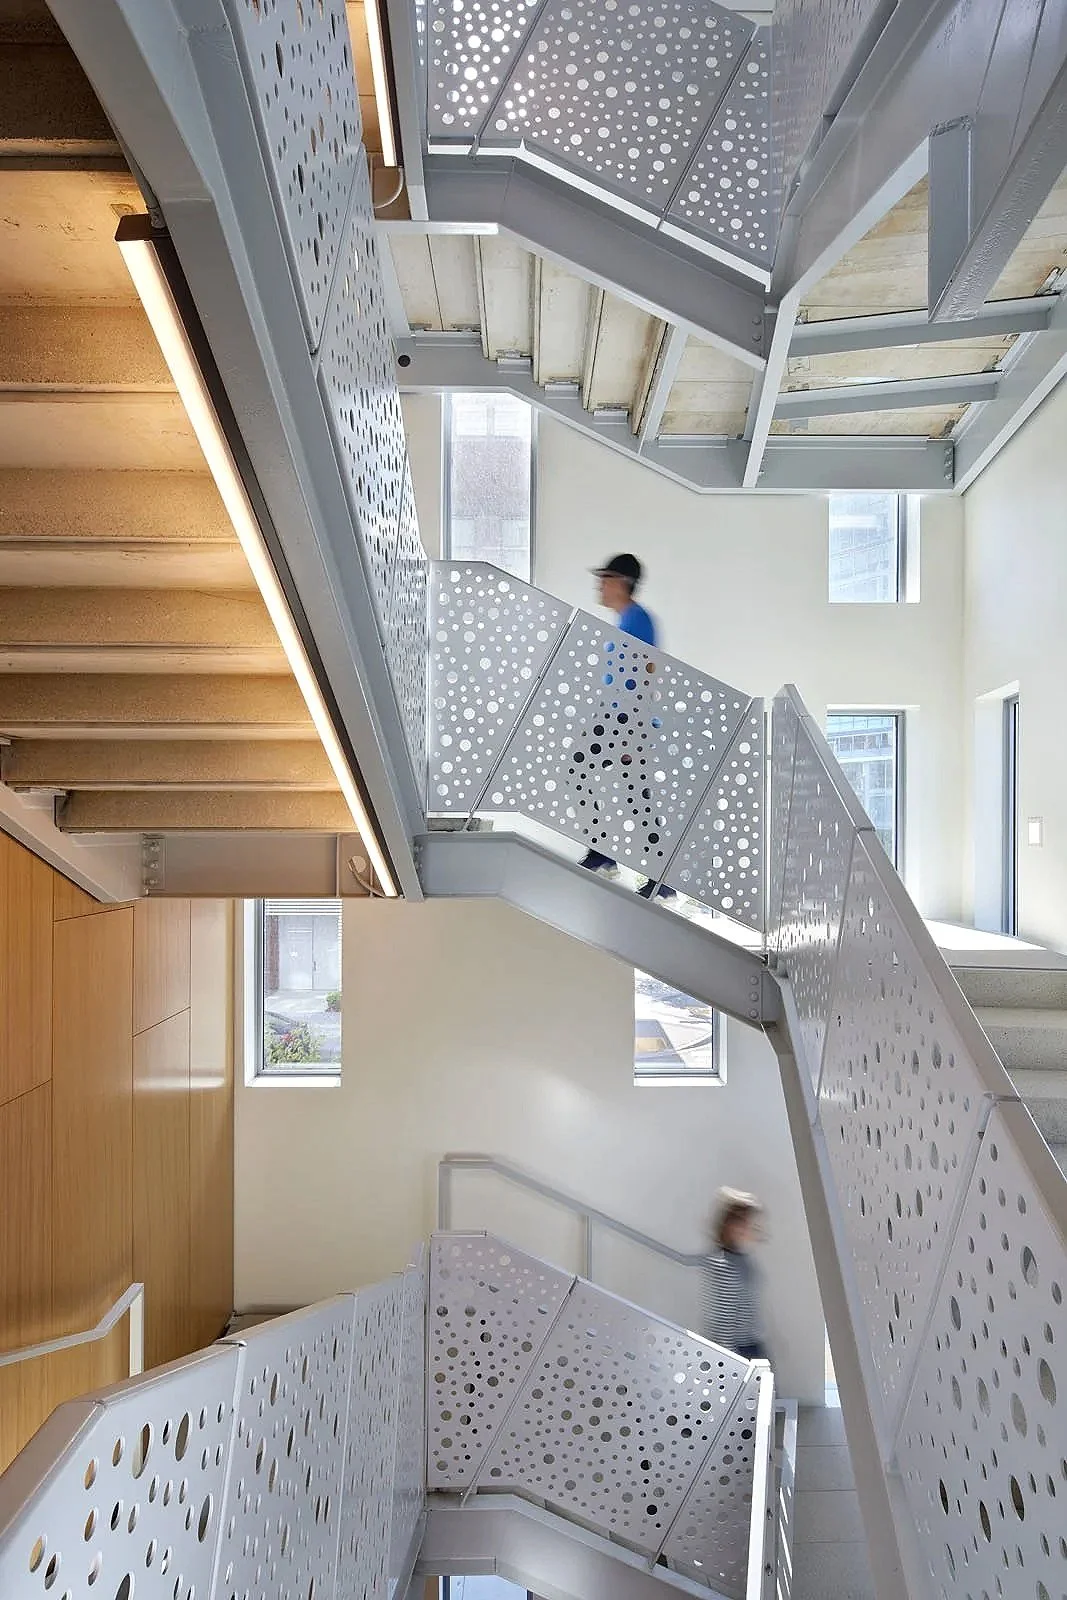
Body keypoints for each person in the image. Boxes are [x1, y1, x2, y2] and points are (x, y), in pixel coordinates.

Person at [577, 553, 675, 900]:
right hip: (621, 719)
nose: (599, 586)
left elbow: (645, 674)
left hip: (625, 720)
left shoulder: (637, 620)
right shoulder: (626, 621)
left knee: (577, 769)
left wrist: (633, 733)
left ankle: (604, 854)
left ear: (621, 582)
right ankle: (659, 880)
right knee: (637, 796)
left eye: (604, 579)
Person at [701, 1188, 767, 1363]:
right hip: (738, 1351)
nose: (754, 1227)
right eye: (746, 1222)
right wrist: (733, 1362)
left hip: (749, 1345)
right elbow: (724, 1319)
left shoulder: (741, 1259)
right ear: (731, 1226)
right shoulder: (724, 1264)